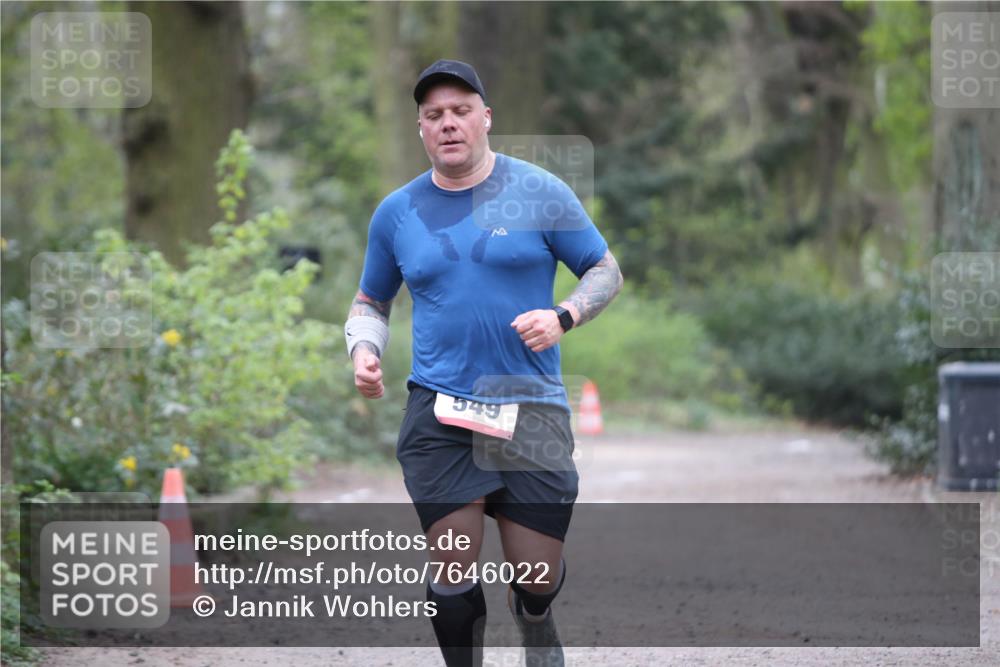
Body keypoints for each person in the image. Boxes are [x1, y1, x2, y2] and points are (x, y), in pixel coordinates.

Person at [345, 59, 623, 667]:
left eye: (461, 111)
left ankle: (535, 615)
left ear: (486, 119)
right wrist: (363, 350)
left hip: (531, 408)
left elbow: (605, 270)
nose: (448, 124)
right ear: (421, 127)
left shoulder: (540, 192)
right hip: (439, 410)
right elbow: (371, 300)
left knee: (536, 572)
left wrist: (564, 316)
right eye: (434, 115)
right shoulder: (397, 213)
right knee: (451, 561)